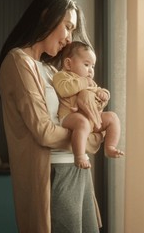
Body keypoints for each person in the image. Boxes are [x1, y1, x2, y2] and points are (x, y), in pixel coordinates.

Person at [0, 0, 105, 233]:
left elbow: (94, 133)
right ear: (46, 16)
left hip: (78, 172)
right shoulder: (18, 61)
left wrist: (90, 131)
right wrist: (84, 135)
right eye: (67, 26)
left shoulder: (50, 70)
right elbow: (44, 131)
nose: (69, 38)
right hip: (55, 176)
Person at [53, 41, 124, 169]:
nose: (91, 70)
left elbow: (98, 90)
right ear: (68, 63)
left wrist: (104, 94)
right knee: (82, 123)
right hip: (70, 116)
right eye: (86, 64)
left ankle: (109, 147)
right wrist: (84, 82)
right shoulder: (62, 76)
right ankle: (79, 156)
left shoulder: (90, 82)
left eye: (93, 66)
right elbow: (64, 89)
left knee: (112, 117)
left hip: (92, 118)